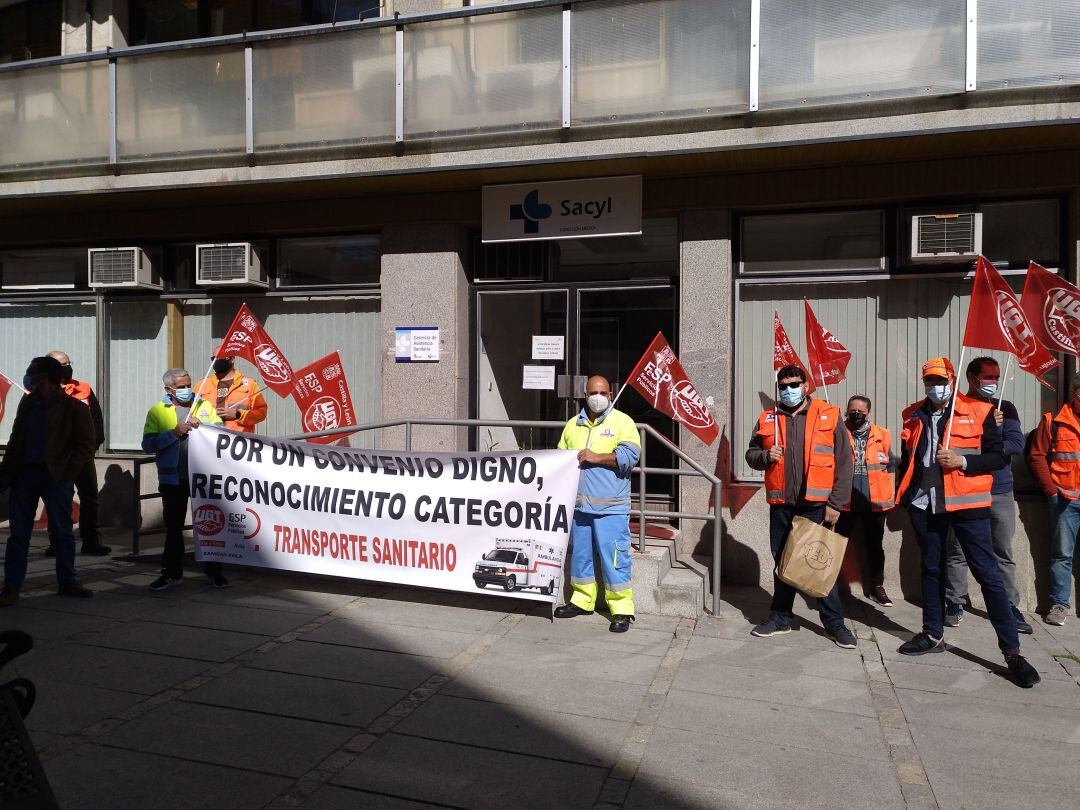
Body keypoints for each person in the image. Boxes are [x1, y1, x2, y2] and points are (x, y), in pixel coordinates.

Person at [894, 357, 1039, 688]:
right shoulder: (912, 414)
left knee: (988, 576)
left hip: (967, 504)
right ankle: (933, 634)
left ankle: (1012, 652)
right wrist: (906, 494)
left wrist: (963, 461)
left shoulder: (980, 411)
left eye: (940, 379)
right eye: (929, 380)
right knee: (932, 570)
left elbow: (1000, 456)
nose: (935, 386)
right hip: (925, 504)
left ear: (954, 379)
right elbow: (909, 457)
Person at [746, 365, 858, 649]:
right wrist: (765, 456)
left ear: (806, 385)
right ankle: (780, 617)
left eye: (794, 384)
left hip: (816, 505)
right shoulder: (767, 418)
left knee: (816, 564)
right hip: (782, 504)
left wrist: (836, 503)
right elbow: (751, 454)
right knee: (783, 563)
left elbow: (845, 463)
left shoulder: (829, 415)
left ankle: (835, 623)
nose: (788, 390)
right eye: (783, 386)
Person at [943, 357, 1031, 633]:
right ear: (971, 377)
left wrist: (993, 432)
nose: (994, 381)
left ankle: (1009, 605)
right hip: (966, 491)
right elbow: (952, 446)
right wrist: (987, 436)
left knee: (1002, 550)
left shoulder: (1005, 407)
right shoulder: (957, 407)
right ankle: (954, 602)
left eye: (997, 376)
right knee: (957, 550)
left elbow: (1015, 444)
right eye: (988, 376)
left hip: (1000, 491)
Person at [0, 356, 97, 606]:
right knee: (18, 534)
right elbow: (15, 440)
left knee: (63, 532)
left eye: (32, 373)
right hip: (25, 476)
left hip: (56, 479)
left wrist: (66, 473)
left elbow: (86, 446)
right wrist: (6, 473)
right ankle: (11, 587)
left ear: (44, 378)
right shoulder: (28, 404)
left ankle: (68, 581)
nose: (29, 377)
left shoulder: (74, 408)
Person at [554, 375, 640, 633]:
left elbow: (629, 457)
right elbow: (561, 459)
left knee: (615, 559)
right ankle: (582, 600)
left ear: (611, 394)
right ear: (585, 395)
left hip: (611, 508)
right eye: (593, 392)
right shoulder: (572, 425)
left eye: (602, 392)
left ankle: (622, 609)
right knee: (581, 558)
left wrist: (596, 457)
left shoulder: (622, 422)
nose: (598, 396)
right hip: (579, 507)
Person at [143, 368, 227, 591]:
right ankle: (172, 573)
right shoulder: (157, 412)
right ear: (168, 390)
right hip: (173, 479)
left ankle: (214, 571)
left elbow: (222, 431)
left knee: (210, 525)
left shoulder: (204, 405)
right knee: (174, 527)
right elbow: (148, 445)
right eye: (181, 387)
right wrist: (173, 433)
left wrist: (206, 426)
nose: (186, 390)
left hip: (203, 477)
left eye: (188, 384)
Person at [44, 350, 112, 557]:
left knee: (90, 498)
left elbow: (97, 419)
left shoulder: (83, 388)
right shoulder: (42, 391)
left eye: (68, 363)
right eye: (61, 364)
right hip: (58, 457)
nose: (67, 367)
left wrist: (93, 445)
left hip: (83, 455)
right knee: (58, 500)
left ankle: (91, 542)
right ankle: (57, 543)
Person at [1028, 372, 1080, 627]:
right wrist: (1051, 491)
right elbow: (1036, 456)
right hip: (1065, 501)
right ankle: (1059, 604)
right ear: (1074, 393)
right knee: (1062, 555)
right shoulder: (1053, 422)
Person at [836, 395, 895, 607]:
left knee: (875, 547)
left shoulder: (882, 434)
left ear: (868, 413)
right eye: (852, 411)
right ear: (846, 411)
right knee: (836, 545)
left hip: (875, 501)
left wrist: (890, 494)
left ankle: (877, 587)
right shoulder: (838, 432)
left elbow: (889, 465)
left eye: (860, 412)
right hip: (845, 501)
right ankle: (830, 587)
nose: (856, 415)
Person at [195, 355, 267, 434]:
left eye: (220, 357)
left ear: (232, 359)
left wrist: (238, 414)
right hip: (207, 437)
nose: (217, 360)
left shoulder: (250, 384)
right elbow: (189, 409)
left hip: (237, 439)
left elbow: (261, 413)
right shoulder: (202, 384)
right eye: (214, 358)